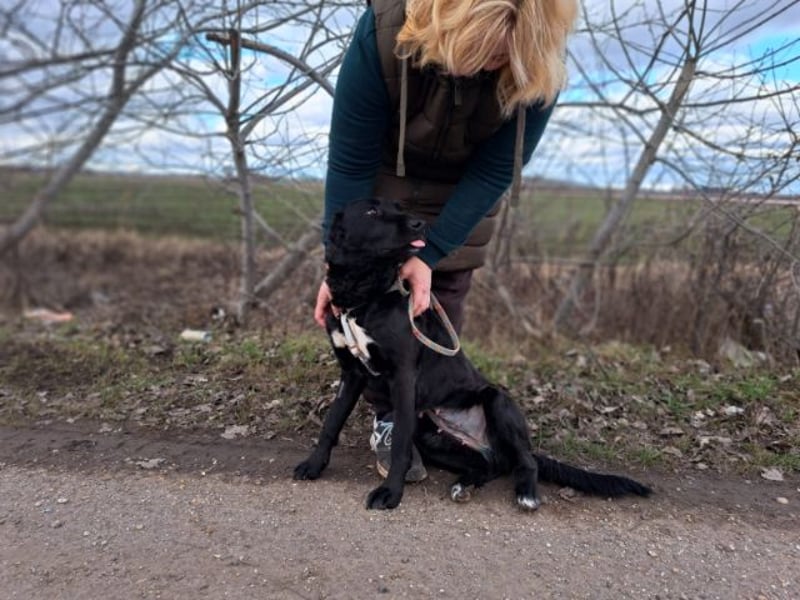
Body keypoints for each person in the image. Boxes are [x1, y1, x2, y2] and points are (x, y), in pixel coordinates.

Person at [314, 0, 578, 482]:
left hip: (461, 188)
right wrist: (336, 267)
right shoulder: (383, 30)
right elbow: (349, 161)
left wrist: (431, 255)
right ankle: (390, 418)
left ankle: (427, 410)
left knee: (434, 305)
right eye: (468, 50)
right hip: (384, 179)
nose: (474, 68)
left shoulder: (540, 65)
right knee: (361, 306)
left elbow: (496, 169)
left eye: (493, 59)